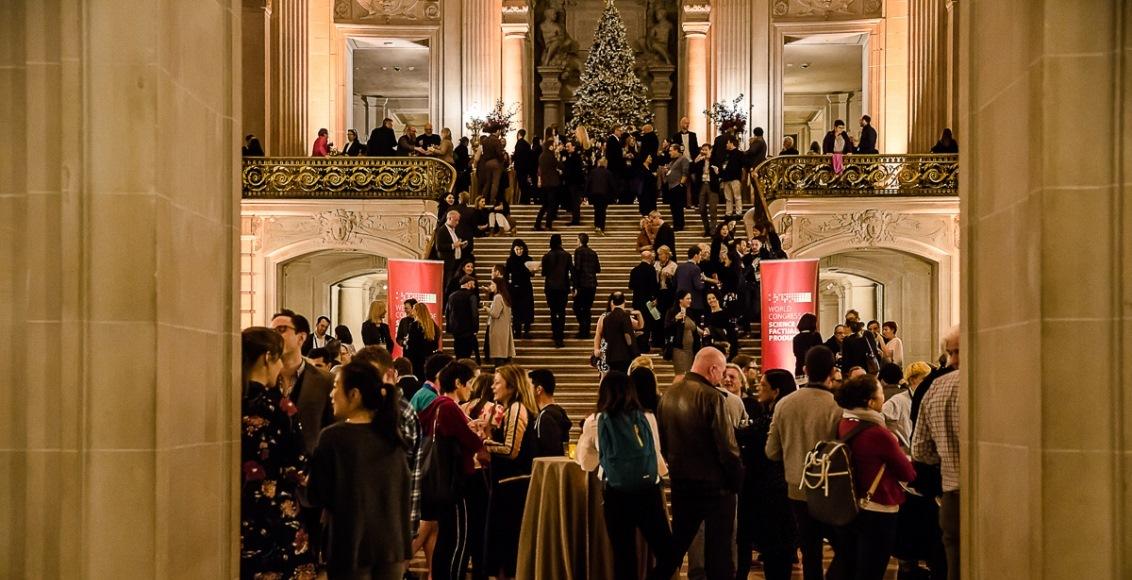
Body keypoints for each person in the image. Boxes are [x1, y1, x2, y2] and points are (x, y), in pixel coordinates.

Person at [306, 361, 410, 580]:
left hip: (350, 546)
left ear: (354, 394)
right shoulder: (392, 436)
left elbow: (316, 495)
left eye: (336, 387)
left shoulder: (333, 438)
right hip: (392, 548)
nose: (332, 394)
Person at [653, 348, 742, 580]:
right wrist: (737, 480)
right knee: (719, 553)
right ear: (712, 369)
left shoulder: (668, 395)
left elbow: (662, 441)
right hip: (715, 486)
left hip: (682, 482)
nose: (723, 379)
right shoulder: (712, 396)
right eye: (722, 372)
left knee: (678, 543)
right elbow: (727, 448)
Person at [576, 371, 672, 580]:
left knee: (624, 555)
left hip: (616, 494)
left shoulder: (596, 420)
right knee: (666, 552)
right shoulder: (647, 416)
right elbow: (655, 453)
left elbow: (586, 462)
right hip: (648, 491)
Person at [239, 327, 318, 579]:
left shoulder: (231, 401)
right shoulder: (280, 407)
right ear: (267, 358)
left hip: (237, 509)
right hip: (276, 512)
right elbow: (298, 463)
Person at [765, 345, 843, 580]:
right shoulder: (837, 405)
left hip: (797, 489)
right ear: (831, 371)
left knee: (810, 552)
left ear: (806, 369)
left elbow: (771, 451)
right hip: (830, 488)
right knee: (846, 546)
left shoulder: (785, 404)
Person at [828, 374, 916, 580]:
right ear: (871, 401)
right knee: (872, 569)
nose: (884, 398)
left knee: (851, 564)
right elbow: (908, 473)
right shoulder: (878, 433)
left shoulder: (844, 424)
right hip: (878, 507)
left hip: (851, 505)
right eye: (881, 394)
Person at [417, 361, 486, 580]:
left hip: (439, 482)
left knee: (445, 540)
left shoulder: (435, 405)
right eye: (469, 383)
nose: (471, 389)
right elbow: (472, 442)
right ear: (458, 383)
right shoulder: (448, 407)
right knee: (459, 541)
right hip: (456, 482)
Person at [735, 368, 797, 580]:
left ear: (776, 391)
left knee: (775, 549)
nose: (758, 388)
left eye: (763, 385)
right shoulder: (772, 413)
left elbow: (761, 445)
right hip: (776, 487)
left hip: (771, 490)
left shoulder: (772, 418)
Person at [479, 365, 539, 580]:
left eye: (497, 382)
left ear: (512, 386)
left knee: (506, 541)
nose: (493, 386)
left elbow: (511, 450)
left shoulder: (516, 408)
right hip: (508, 483)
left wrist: (484, 442)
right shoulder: (512, 409)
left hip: (512, 485)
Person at [911, 326, 961, 580]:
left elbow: (919, 448)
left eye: (956, 353)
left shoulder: (936, 387)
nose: (953, 360)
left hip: (951, 491)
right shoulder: (992, 382)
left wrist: (946, 459)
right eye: (951, 353)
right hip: (994, 494)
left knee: (953, 564)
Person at [270, 310, 334, 453]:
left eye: (281, 330)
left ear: (301, 338)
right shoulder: (264, 380)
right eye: (272, 331)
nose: (275, 337)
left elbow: (332, 428)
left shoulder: (325, 381)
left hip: (311, 464)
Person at [594, 291, 641, 374]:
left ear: (612, 302)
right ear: (624, 301)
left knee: (610, 378)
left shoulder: (607, 318)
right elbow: (627, 335)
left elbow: (602, 334)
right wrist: (634, 351)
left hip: (610, 353)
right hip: (622, 353)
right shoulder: (623, 316)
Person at [529, 369, 571, 457]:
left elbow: (549, 452)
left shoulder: (545, 417)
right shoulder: (558, 411)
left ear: (539, 389)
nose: (526, 392)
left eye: (528, 387)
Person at [541, 234, 573, 347]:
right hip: (563, 288)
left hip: (550, 288)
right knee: (562, 312)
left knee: (553, 312)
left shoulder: (546, 256)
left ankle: (555, 334)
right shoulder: (567, 255)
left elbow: (543, 273)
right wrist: (573, 286)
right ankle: (560, 336)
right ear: (560, 242)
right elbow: (572, 272)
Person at [664, 290, 701, 379]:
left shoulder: (690, 313)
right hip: (679, 349)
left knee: (690, 376)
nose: (690, 300)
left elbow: (694, 328)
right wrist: (675, 319)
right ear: (680, 300)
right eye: (688, 298)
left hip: (691, 350)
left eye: (690, 298)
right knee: (681, 376)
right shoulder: (672, 311)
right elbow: (666, 328)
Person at [629, 249, 661, 350]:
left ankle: (638, 344)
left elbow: (631, 286)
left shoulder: (634, 270)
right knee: (647, 322)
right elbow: (654, 286)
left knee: (638, 323)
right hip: (648, 302)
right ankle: (645, 345)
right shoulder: (651, 269)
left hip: (637, 301)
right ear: (650, 258)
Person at [435, 210, 470, 299]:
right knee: (446, 286)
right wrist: (454, 245)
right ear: (449, 218)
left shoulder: (454, 230)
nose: (457, 223)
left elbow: (455, 244)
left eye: (458, 220)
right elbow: (439, 246)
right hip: (447, 263)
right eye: (456, 220)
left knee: (452, 286)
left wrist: (461, 246)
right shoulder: (442, 230)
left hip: (455, 262)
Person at [572, 233, 601, 339]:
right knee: (587, 308)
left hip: (582, 284)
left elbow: (577, 269)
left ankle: (583, 328)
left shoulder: (578, 251)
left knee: (577, 307)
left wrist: (574, 286)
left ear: (579, 241)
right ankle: (586, 331)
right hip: (592, 284)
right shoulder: (593, 252)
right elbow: (598, 268)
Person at [445, 275, 480, 362]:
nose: (474, 287)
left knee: (459, 356)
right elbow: (474, 314)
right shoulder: (471, 296)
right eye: (473, 284)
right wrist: (475, 329)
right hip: (468, 331)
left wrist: (449, 328)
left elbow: (447, 313)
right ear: (468, 283)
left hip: (456, 332)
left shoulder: (451, 296)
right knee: (466, 357)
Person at [505, 240, 535, 339]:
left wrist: (533, 271)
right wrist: (509, 286)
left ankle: (526, 330)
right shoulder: (510, 260)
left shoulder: (529, 259)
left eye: (521, 249)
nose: (519, 251)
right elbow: (506, 275)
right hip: (515, 288)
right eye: (517, 249)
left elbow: (532, 274)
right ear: (513, 249)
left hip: (526, 287)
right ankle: (517, 330)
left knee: (527, 309)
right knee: (516, 310)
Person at [404, 303, 440, 382]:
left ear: (417, 311)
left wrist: (406, 343)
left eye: (413, 309)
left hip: (416, 359)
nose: (412, 311)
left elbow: (412, 345)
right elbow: (435, 341)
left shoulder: (414, 325)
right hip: (429, 357)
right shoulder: (432, 325)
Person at [690, 143, 719, 236]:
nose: (703, 151)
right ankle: (707, 229)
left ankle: (713, 231)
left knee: (713, 209)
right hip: (702, 185)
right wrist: (695, 161)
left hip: (712, 186)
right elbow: (691, 170)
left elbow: (721, 172)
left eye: (706, 150)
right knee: (702, 209)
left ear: (710, 150)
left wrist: (717, 171)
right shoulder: (700, 161)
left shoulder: (715, 160)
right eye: (702, 150)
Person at [534, 139, 563, 230]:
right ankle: (548, 224)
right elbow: (559, 165)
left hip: (545, 183)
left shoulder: (541, 156)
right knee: (551, 204)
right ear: (550, 146)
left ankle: (537, 223)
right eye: (553, 145)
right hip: (552, 183)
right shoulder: (551, 156)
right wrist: (558, 157)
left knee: (545, 204)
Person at [487, 277, 516, 364]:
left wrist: (486, 309)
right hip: (505, 329)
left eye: (492, 284)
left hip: (498, 329)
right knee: (505, 355)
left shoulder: (498, 297)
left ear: (497, 285)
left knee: (499, 355)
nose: (490, 286)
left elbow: (495, 314)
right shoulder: (505, 296)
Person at [662, 144, 691, 231]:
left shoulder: (683, 159)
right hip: (671, 186)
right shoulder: (672, 161)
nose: (669, 152)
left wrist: (681, 184)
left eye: (671, 150)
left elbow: (685, 172)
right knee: (673, 208)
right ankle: (676, 224)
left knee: (678, 208)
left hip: (678, 186)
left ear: (677, 150)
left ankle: (679, 225)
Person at [675, 245, 707, 316]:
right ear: (696, 255)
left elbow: (675, 283)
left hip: (681, 301)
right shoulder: (696, 268)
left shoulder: (680, 267)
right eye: (700, 255)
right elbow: (698, 286)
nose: (701, 257)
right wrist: (705, 283)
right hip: (694, 303)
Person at [586, 156, 615, 234]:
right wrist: (613, 196)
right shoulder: (608, 173)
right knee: (602, 211)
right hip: (604, 195)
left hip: (595, 195)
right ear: (605, 164)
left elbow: (588, 183)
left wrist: (587, 194)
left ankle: (597, 226)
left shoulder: (593, 172)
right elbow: (612, 185)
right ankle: (601, 228)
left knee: (597, 211)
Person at [718, 137, 744, 218]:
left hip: (735, 178)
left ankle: (738, 213)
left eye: (727, 143)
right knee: (728, 198)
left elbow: (744, 164)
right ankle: (728, 213)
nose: (726, 144)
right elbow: (723, 165)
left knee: (737, 196)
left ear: (732, 143)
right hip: (726, 178)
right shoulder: (726, 154)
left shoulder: (739, 153)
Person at [792, 312, 824, 377]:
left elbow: (796, 354)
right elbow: (821, 352)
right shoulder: (816, 335)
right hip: (814, 369)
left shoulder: (796, 338)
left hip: (800, 368)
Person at [478, 130, 506, 203]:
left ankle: (483, 199)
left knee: (487, 182)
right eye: (499, 131)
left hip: (487, 163)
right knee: (495, 183)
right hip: (495, 162)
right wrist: (502, 160)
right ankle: (492, 200)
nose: (500, 133)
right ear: (497, 131)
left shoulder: (485, 140)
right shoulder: (496, 140)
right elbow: (499, 153)